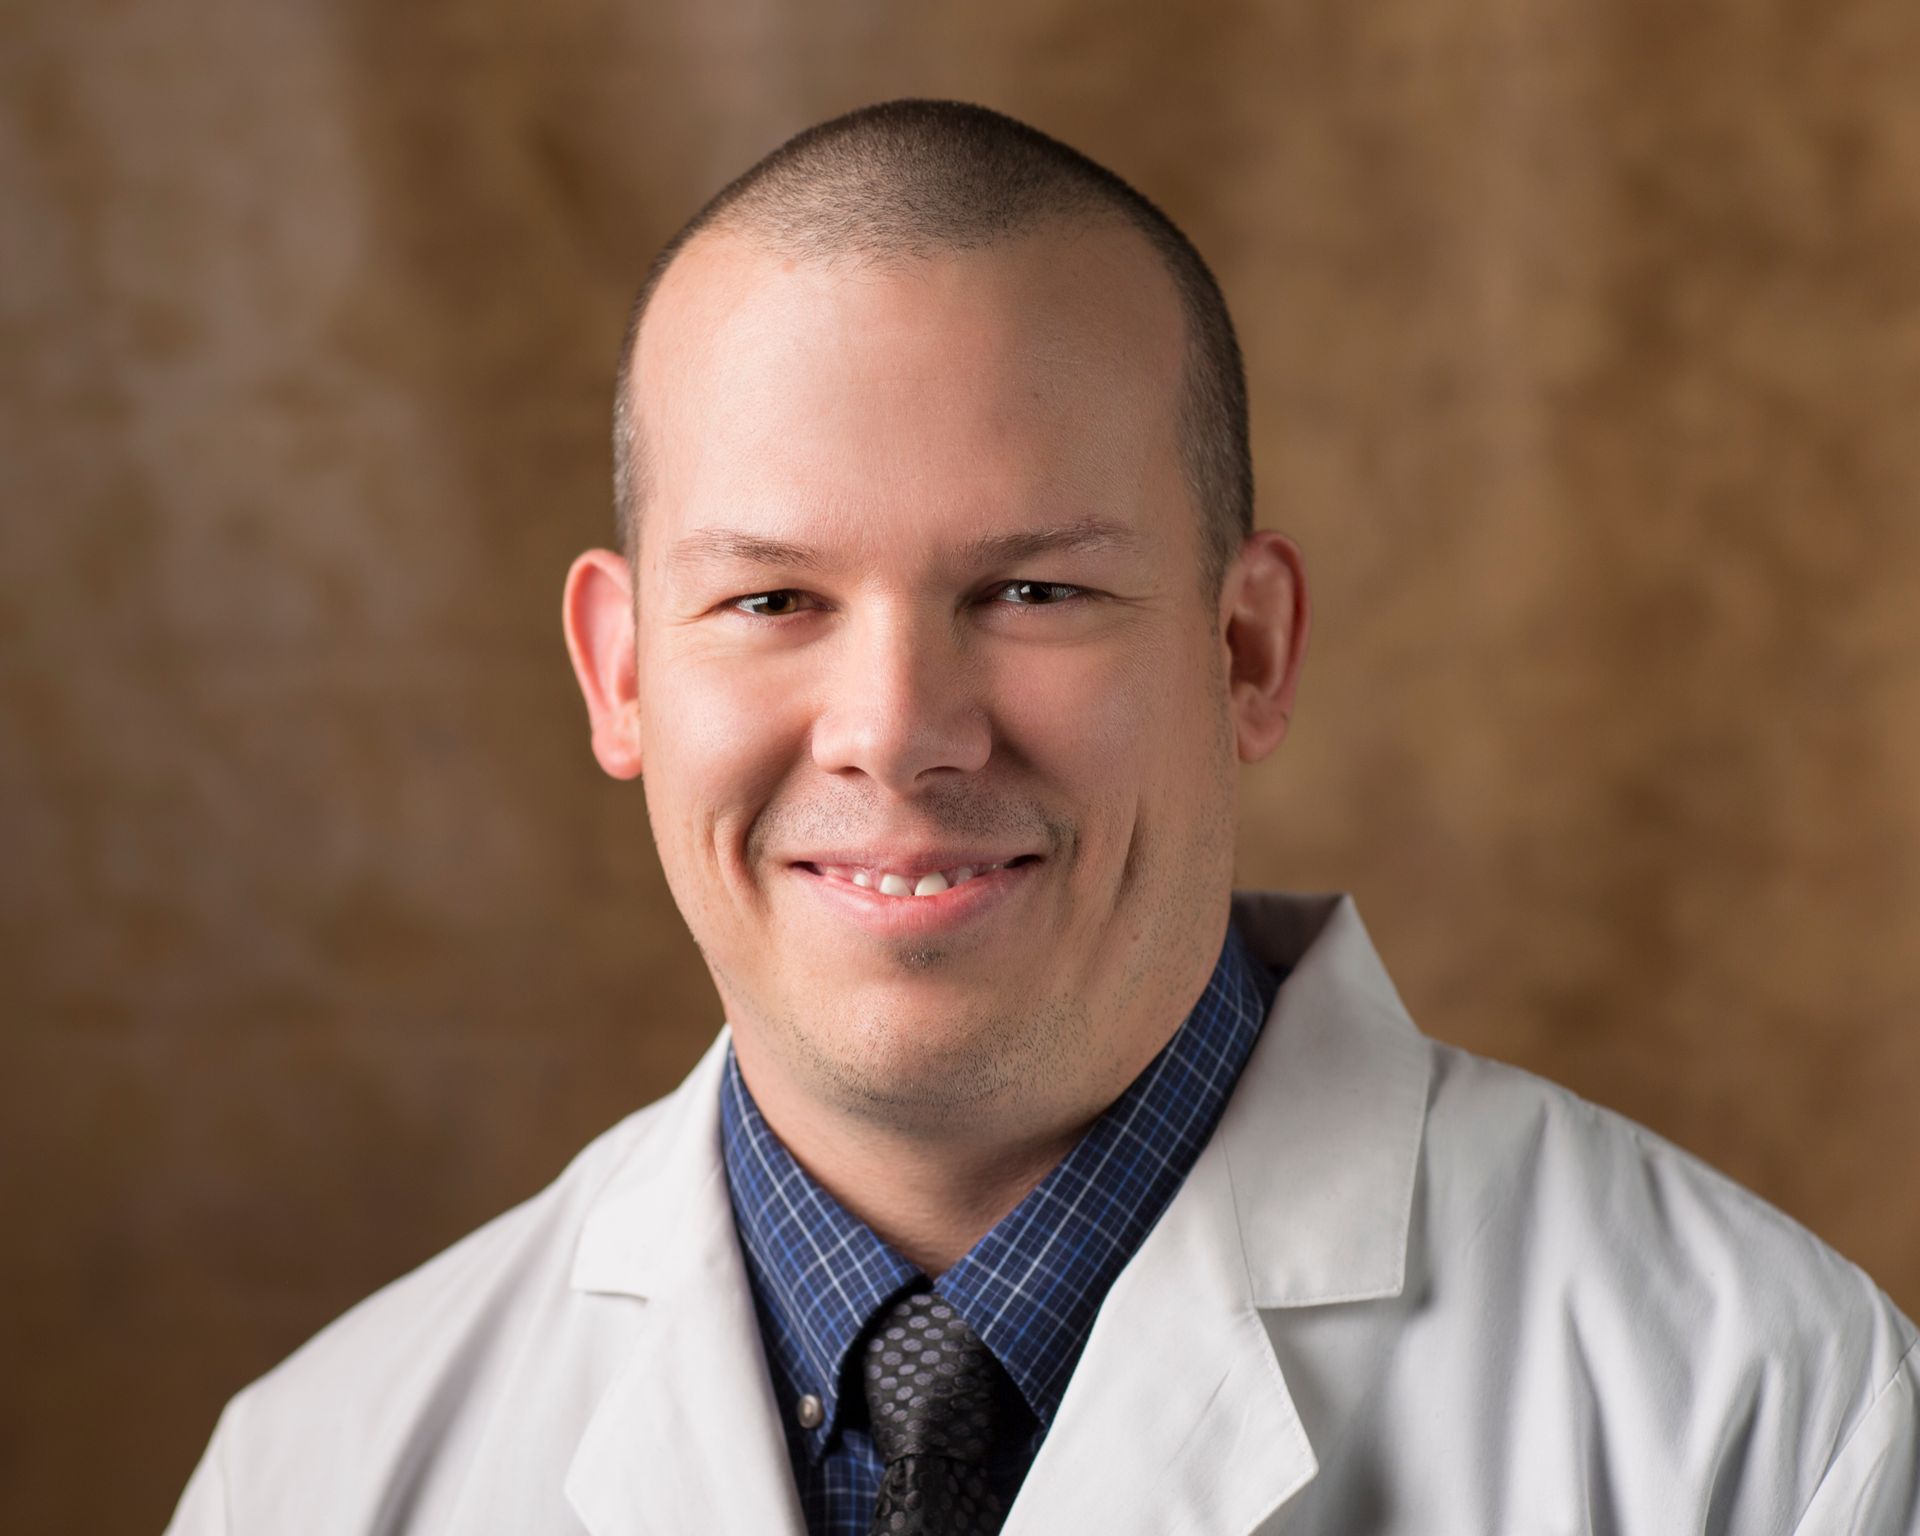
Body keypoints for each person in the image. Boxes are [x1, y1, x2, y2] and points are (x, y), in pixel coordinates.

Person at [166, 99, 1918, 1536]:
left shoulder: (1766, 1428)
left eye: (1028, 592)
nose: (899, 732)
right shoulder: (317, 1476)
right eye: (772, 602)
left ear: (1245, 650)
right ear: (622, 675)